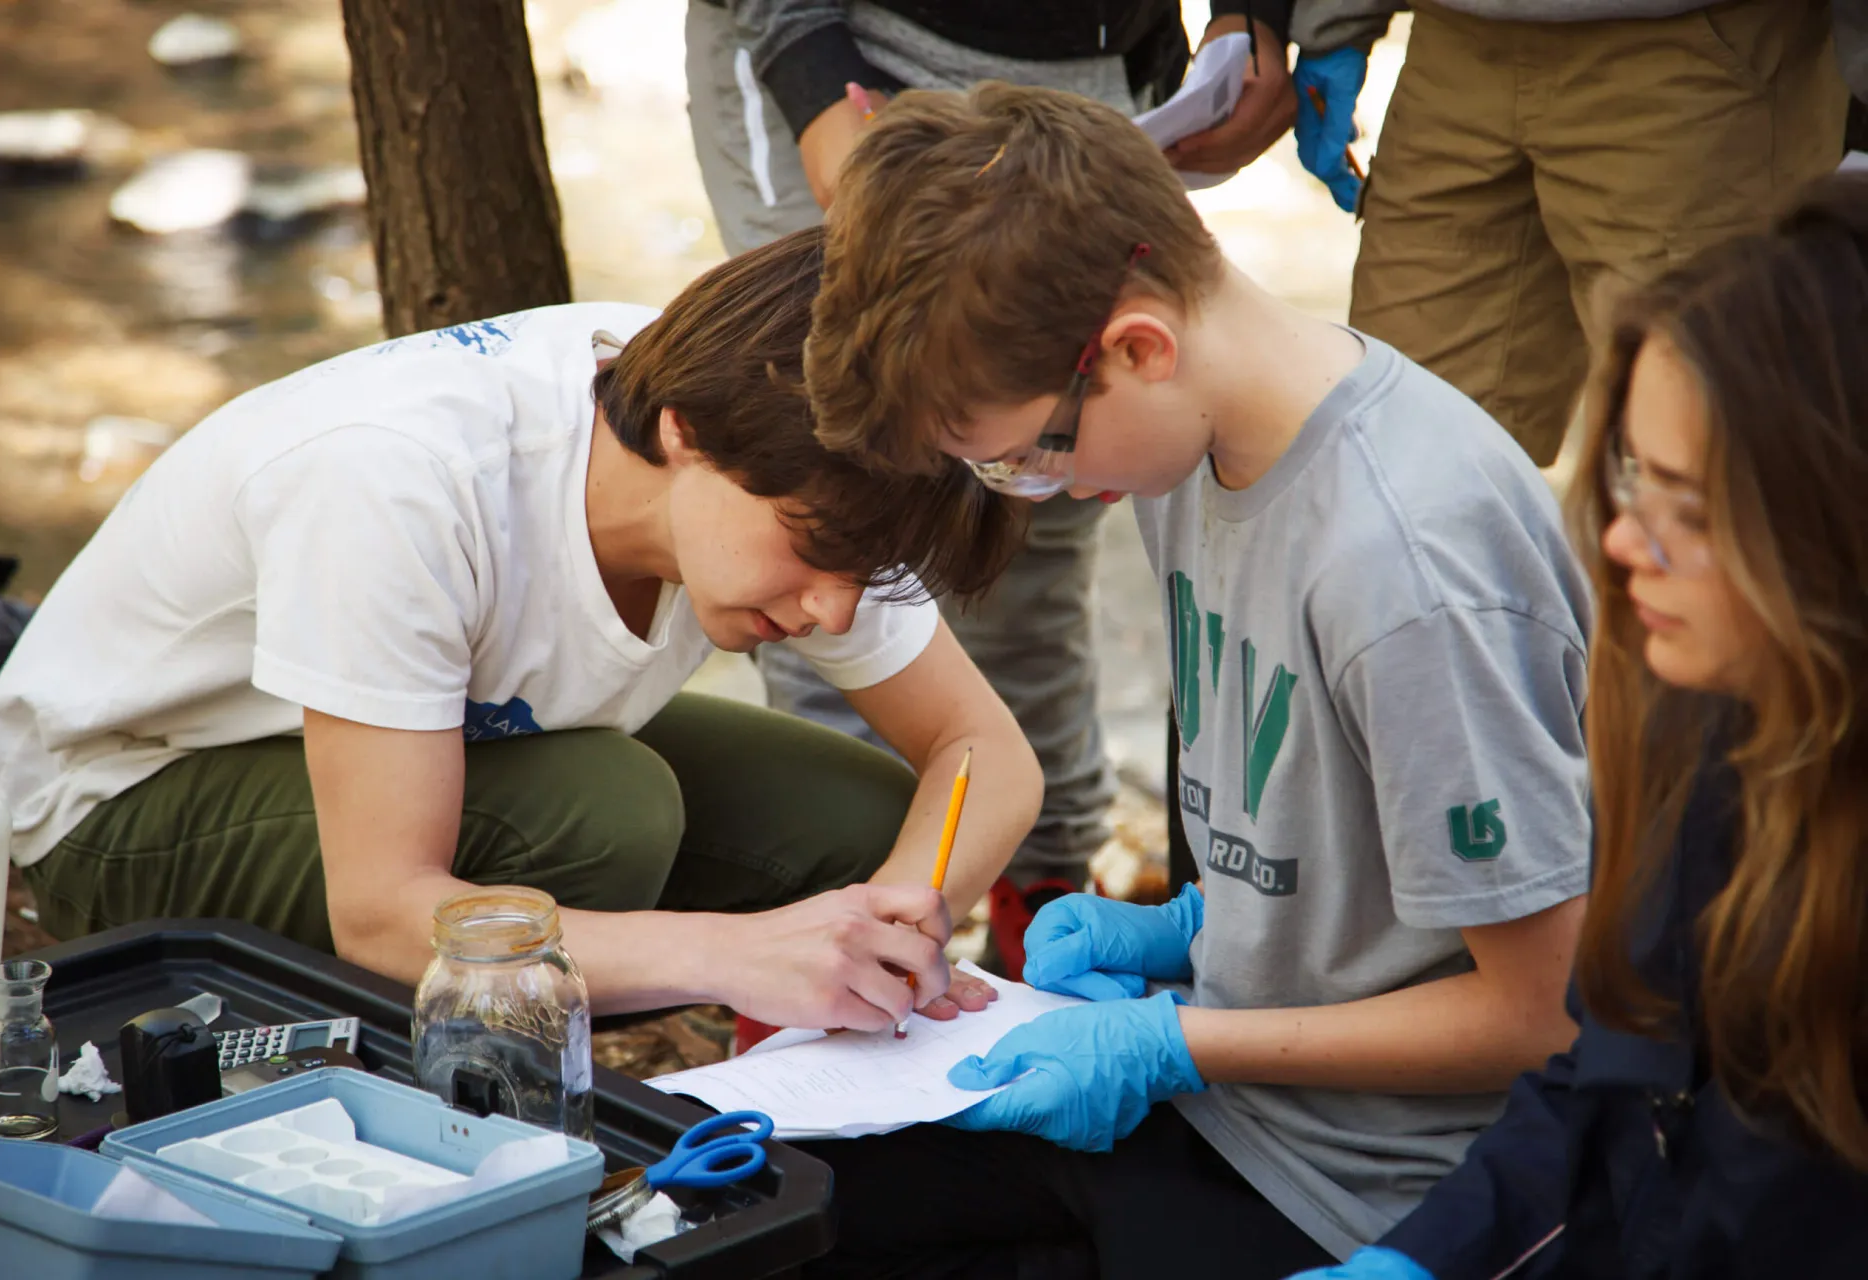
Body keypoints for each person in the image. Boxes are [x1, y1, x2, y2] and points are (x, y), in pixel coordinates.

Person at [791, 83, 1593, 1277]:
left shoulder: (1406, 568)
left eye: (1026, 453)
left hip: (1365, 1186)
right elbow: (1330, 856)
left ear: (1136, 348)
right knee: (787, 1205)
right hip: (1223, 1091)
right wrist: (1180, 935)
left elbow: (1539, 1014)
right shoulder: (1185, 452)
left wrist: (1171, 1037)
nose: (1041, 488)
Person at [0, 227, 1044, 1033]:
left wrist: (897, 923)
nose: (833, 610)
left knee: (858, 827)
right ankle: (448, 1108)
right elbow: (386, 913)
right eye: (813, 555)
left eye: (863, 575)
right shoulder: (403, 482)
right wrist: (737, 953)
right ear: (685, 434)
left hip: (432, 749)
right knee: (604, 814)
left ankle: (796, 1096)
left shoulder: (821, 459)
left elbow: (981, 752)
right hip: (119, 799)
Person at [1288, 174, 1868, 1280]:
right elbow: (1605, 1082)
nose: (1625, 544)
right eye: (1633, 477)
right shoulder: (1701, 724)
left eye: (1692, 510)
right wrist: (1423, 1256)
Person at [684, 0, 1302, 965]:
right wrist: (811, 77)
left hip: (1091, 64)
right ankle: (823, 920)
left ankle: (1039, 891)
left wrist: (1248, 13)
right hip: (838, 62)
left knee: (1027, 528)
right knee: (834, 486)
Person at [1288, 0, 1847, 467]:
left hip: (1698, 51)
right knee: (1399, 462)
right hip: (1455, 46)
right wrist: (1336, 17)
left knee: (1713, 465)